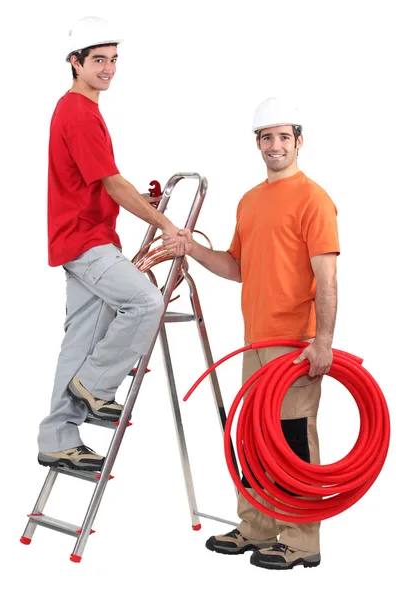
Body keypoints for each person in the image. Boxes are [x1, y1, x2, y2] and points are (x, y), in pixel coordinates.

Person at [169, 97, 340, 570]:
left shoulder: (314, 199)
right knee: (253, 437)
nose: (275, 145)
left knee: (292, 441)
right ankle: (258, 525)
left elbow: (326, 278)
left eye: (284, 136)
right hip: (255, 341)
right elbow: (237, 266)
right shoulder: (249, 200)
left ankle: (302, 540)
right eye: (266, 137)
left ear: (299, 142)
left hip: (296, 343)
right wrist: (193, 249)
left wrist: (322, 340)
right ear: (257, 144)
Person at [37, 16, 185, 472]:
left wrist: (138, 201)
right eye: (98, 60)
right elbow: (110, 181)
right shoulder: (79, 112)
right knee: (145, 303)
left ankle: (57, 438)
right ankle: (96, 388)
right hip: (86, 240)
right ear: (75, 63)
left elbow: (95, 183)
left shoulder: (80, 111)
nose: (108, 69)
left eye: (114, 60)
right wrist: (163, 223)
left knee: (79, 341)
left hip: (80, 236)